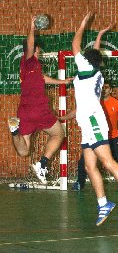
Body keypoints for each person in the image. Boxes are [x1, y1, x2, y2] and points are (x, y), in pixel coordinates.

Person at [71, 12, 118, 226]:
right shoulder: (92, 70)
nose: (81, 56)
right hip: (86, 123)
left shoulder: (86, 69)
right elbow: (93, 53)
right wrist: (100, 35)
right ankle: (103, 203)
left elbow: (74, 45)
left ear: (86, 61)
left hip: (94, 121)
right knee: (88, 166)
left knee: (107, 161)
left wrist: (83, 24)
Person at [8, 16, 73, 185]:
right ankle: (42, 165)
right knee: (59, 133)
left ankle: (14, 131)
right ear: (35, 49)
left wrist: (62, 82)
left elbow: (43, 79)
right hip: (39, 109)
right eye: (38, 49)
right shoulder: (29, 61)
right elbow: (29, 45)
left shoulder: (32, 68)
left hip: (24, 111)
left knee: (24, 151)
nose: (39, 51)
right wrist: (32, 27)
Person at [60, 80, 118, 191]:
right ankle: (79, 183)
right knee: (84, 162)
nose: (104, 89)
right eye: (102, 87)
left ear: (111, 90)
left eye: (107, 87)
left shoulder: (117, 104)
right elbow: (77, 111)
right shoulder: (92, 103)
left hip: (113, 139)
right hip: (96, 138)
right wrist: (62, 118)